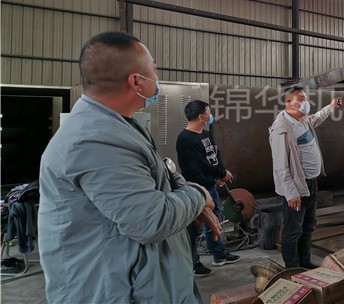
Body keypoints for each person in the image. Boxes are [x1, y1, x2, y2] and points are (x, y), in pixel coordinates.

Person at [38, 31, 221, 304]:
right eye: (154, 70)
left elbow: (165, 175)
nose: (157, 79)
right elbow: (151, 220)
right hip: (119, 292)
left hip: (145, 283)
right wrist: (199, 196)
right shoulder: (95, 140)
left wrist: (190, 198)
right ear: (136, 81)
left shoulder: (122, 125)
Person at [268, 86, 342, 269]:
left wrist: (331, 107)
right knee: (293, 230)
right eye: (301, 100)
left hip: (311, 183)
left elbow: (316, 118)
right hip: (296, 188)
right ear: (289, 102)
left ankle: (305, 262)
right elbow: (280, 166)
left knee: (308, 225)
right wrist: (291, 193)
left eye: (306, 99)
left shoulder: (302, 120)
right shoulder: (281, 130)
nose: (306, 103)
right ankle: (293, 268)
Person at [176, 100, 240, 276]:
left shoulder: (205, 134)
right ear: (201, 116)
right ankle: (193, 263)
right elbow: (199, 165)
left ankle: (219, 254)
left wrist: (219, 175)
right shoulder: (185, 139)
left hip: (210, 185)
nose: (211, 116)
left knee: (215, 221)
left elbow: (214, 155)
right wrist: (220, 173)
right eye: (209, 113)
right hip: (197, 189)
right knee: (195, 227)